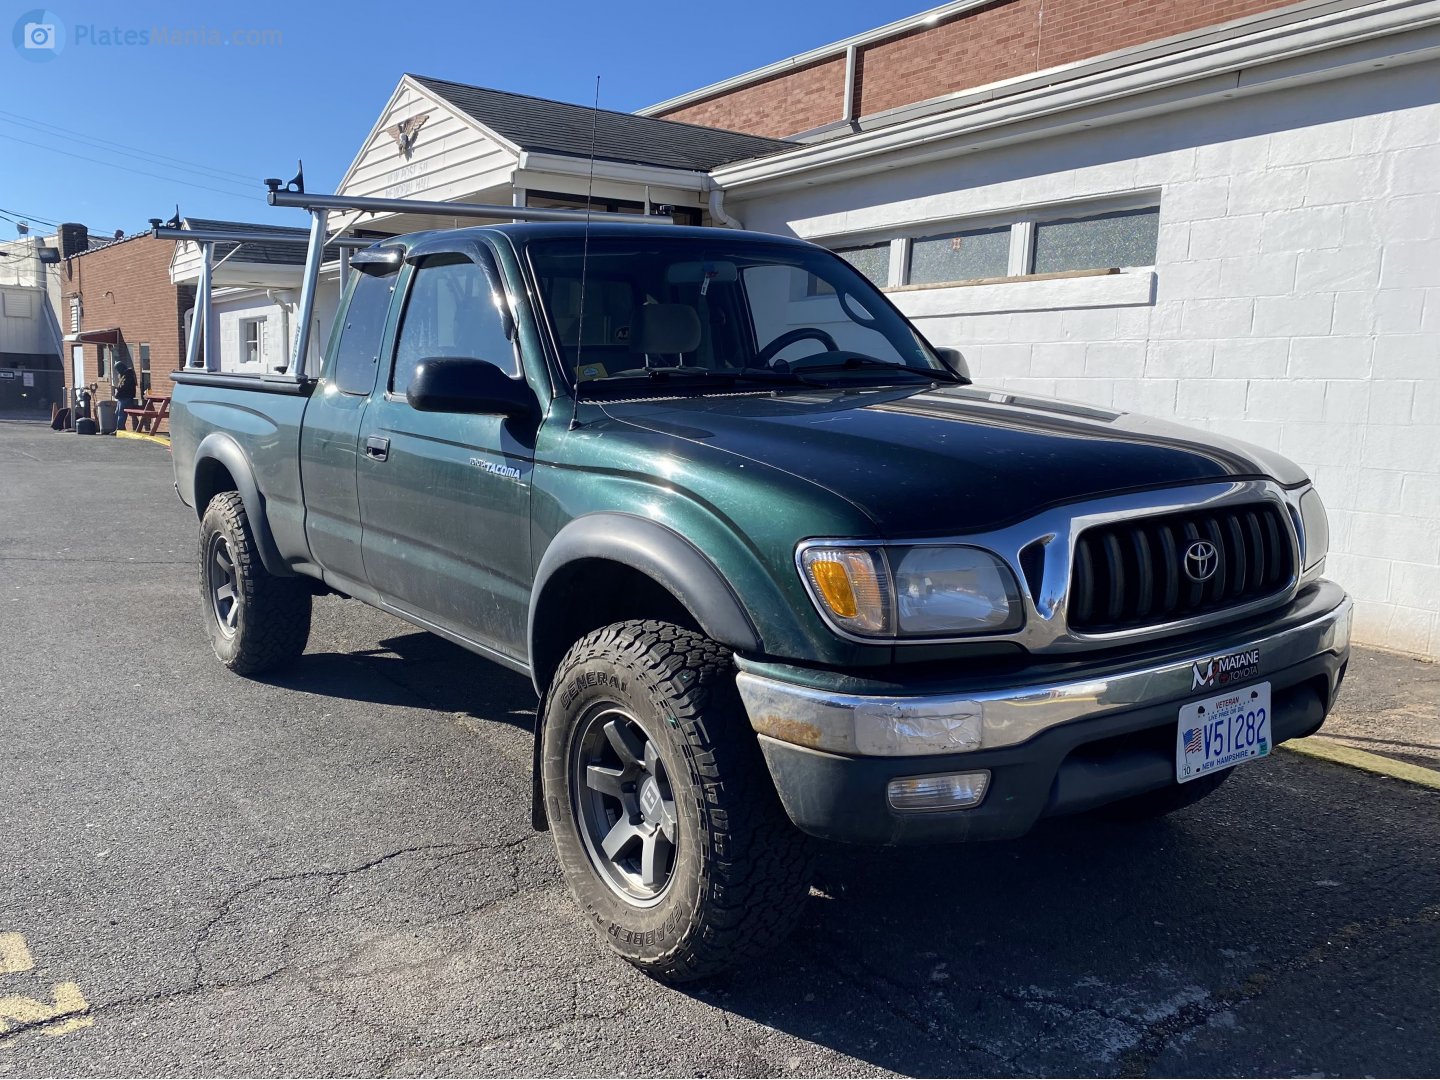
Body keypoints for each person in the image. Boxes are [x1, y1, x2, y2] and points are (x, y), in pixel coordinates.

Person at [113, 360, 138, 432]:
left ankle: (120, 429)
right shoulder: (123, 375)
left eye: (118, 369)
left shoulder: (128, 375)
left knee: (121, 414)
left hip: (126, 397)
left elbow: (124, 387)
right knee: (117, 413)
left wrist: (118, 389)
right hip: (121, 397)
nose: (117, 371)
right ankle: (120, 428)